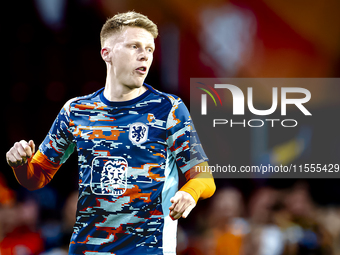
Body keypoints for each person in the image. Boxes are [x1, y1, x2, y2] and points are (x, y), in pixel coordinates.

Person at [6, 11, 215, 255]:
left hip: (148, 250)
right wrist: (20, 164)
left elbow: (204, 177)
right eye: (134, 46)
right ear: (107, 53)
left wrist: (189, 193)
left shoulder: (169, 109)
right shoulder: (76, 110)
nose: (144, 54)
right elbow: (36, 177)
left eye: (149, 48)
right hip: (87, 249)